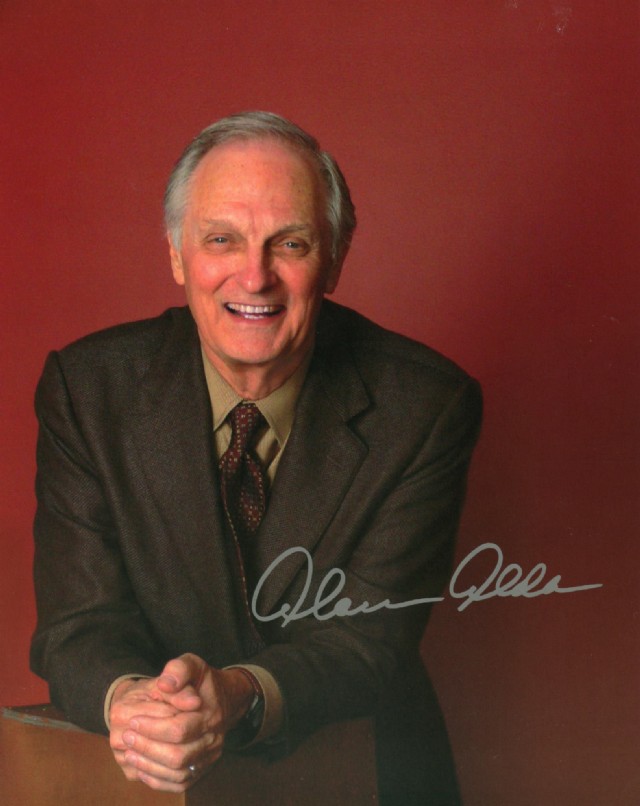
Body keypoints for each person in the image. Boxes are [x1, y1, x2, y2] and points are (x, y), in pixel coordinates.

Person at [31, 111, 482, 805]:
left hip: (361, 774)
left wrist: (239, 693)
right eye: (222, 240)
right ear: (177, 255)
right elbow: (76, 625)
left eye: (290, 243)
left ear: (335, 258)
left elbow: (367, 642)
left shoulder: (425, 405)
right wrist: (132, 703)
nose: (254, 275)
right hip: (152, 780)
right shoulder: (88, 390)